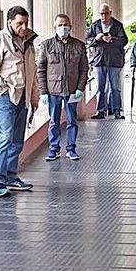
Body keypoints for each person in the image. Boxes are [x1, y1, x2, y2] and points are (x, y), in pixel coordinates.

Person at [0, 6, 39, 198]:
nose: (23, 27)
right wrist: (3, 89)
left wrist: (34, 95)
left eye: (25, 23)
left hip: (23, 96)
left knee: (17, 140)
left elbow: (33, 70)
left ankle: (11, 177)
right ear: (9, 23)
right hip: (6, 95)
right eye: (19, 23)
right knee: (4, 137)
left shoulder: (29, 41)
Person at [37, 13, 88, 162]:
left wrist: (80, 88)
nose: (63, 27)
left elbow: (84, 68)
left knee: (72, 120)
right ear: (55, 27)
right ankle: (54, 149)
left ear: (70, 27)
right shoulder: (46, 45)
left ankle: (71, 149)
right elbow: (40, 69)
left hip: (72, 90)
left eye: (65, 25)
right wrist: (43, 91)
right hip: (53, 91)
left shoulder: (79, 45)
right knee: (54, 121)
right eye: (60, 25)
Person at [85, 2, 128, 119]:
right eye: (101, 14)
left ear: (110, 13)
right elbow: (88, 40)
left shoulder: (118, 25)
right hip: (99, 60)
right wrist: (96, 38)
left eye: (106, 13)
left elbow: (124, 41)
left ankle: (117, 111)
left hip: (114, 61)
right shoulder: (95, 26)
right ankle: (100, 111)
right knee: (100, 88)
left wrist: (112, 39)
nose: (104, 16)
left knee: (115, 87)